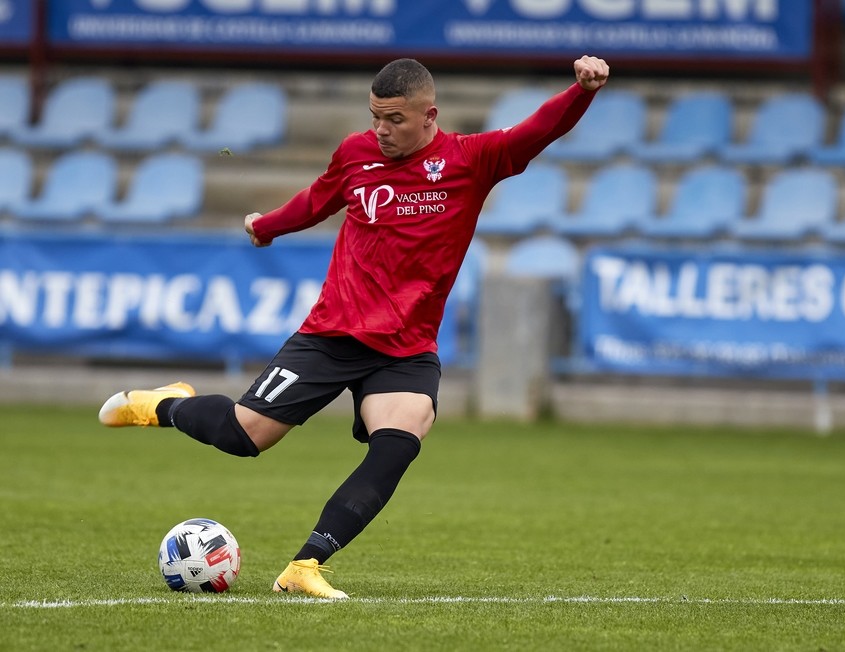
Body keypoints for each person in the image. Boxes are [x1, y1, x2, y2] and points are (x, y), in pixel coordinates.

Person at [99, 55, 610, 599]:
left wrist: (581, 91)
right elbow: (319, 199)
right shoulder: (356, 152)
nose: (381, 131)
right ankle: (165, 405)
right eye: (375, 118)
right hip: (332, 334)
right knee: (245, 437)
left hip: (405, 348)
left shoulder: (471, 159)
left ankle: (305, 566)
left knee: (400, 439)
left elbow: (538, 130)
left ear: (429, 115)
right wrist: (267, 227)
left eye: (394, 120)